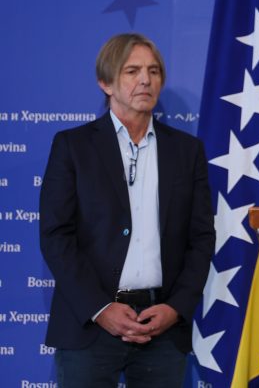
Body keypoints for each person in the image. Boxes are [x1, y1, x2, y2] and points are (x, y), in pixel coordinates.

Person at [39, 33, 215, 387]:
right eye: (132, 71)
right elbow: (56, 236)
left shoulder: (187, 151)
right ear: (105, 83)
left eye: (153, 71)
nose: (145, 80)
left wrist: (175, 308)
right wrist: (100, 308)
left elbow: (201, 238)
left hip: (162, 329)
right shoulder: (73, 146)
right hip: (89, 327)